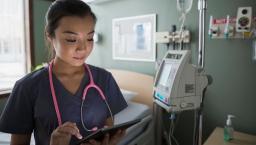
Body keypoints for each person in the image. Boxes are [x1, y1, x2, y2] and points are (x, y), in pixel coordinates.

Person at [0, 0, 128, 145]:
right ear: (50, 36)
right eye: (71, 39)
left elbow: (107, 130)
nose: (83, 48)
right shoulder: (26, 87)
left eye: (89, 38)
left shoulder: (104, 79)